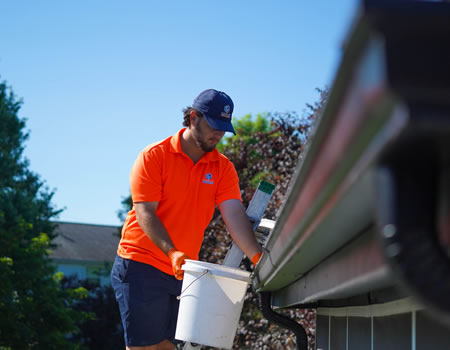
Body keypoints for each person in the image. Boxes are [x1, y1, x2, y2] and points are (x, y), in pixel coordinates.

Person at [111, 89, 263, 350]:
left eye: (223, 128)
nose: (218, 134)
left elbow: (235, 216)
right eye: (213, 126)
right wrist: (171, 251)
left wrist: (259, 259)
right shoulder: (154, 156)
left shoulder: (222, 168)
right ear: (193, 118)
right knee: (145, 348)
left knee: (168, 348)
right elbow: (145, 212)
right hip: (141, 264)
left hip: (182, 270)